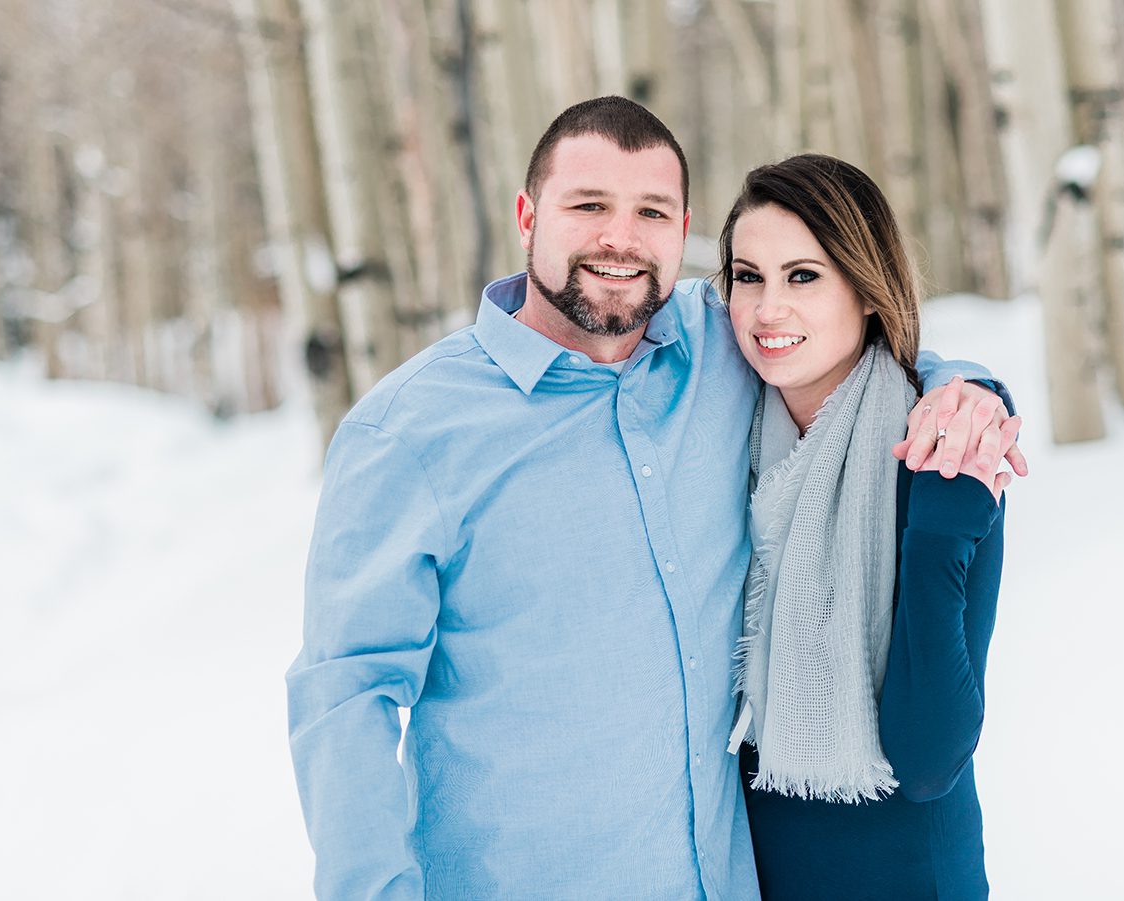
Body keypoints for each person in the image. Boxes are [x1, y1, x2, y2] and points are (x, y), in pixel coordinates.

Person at [287, 96, 1023, 900]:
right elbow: (346, 693)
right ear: (529, 215)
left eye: (651, 211)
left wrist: (966, 392)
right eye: (589, 205)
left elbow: (853, 346)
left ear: (684, 230)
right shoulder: (412, 430)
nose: (621, 238)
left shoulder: (724, 348)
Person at [722, 154, 1011, 900]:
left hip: (909, 874)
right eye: (747, 276)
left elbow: (928, 758)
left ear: (867, 287)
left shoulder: (942, 448)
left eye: (803, 275)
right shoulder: (725, 446)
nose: (766, 309)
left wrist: (942, 533)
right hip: (760, 867)